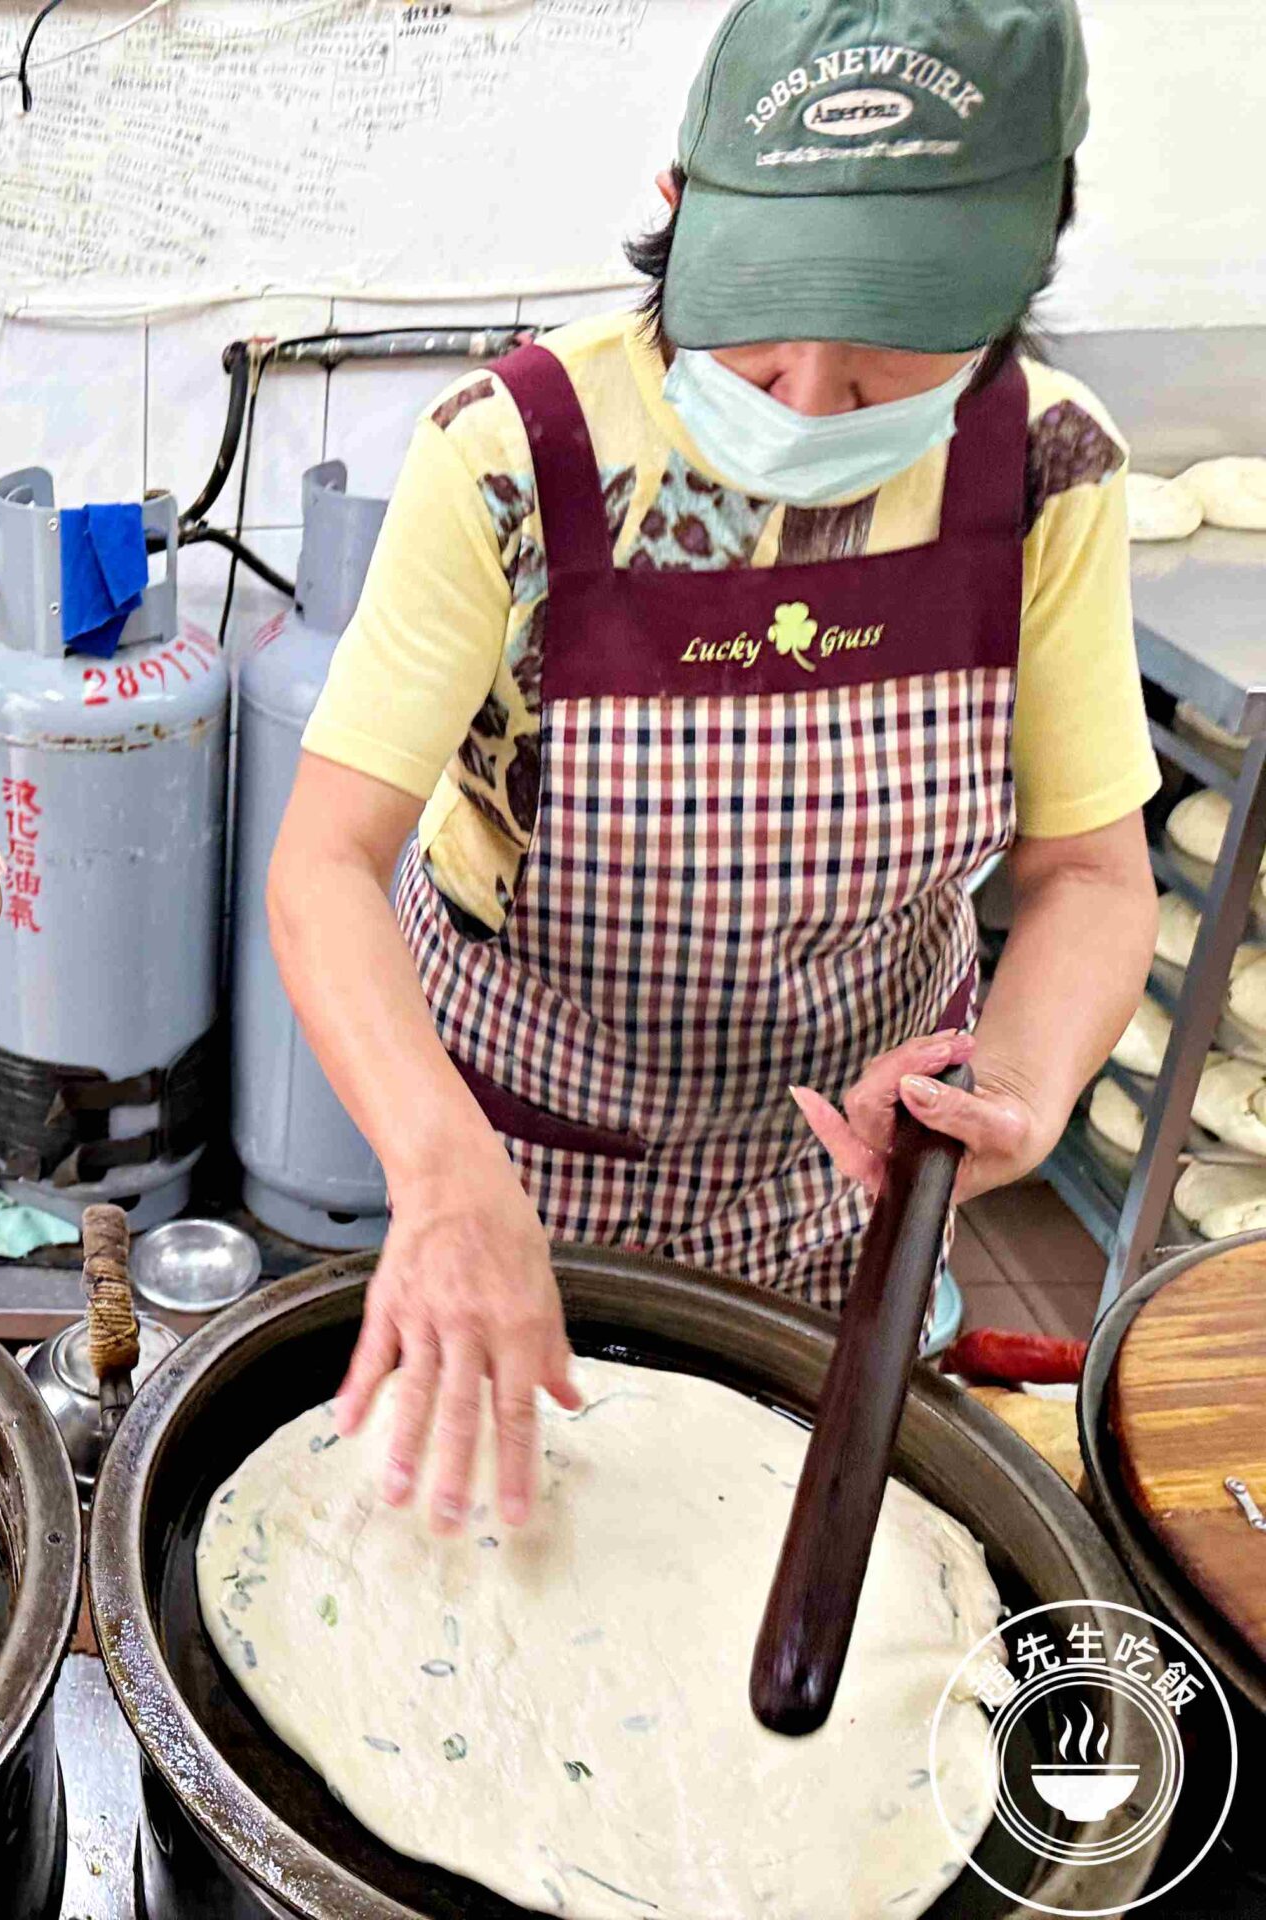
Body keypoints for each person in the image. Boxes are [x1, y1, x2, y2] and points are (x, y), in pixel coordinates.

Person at [269, 0, 1154, 1533]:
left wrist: (1009, 1085)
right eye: (756, 324)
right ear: (679, 211)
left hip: (847, 1181)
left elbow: (1086, 875)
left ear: (1027, 267)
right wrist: (436, 1167)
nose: (805, 399)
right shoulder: (511, 458)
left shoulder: (1045, 469)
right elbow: (324, 862)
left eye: (886, 355)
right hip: (526, 1151)